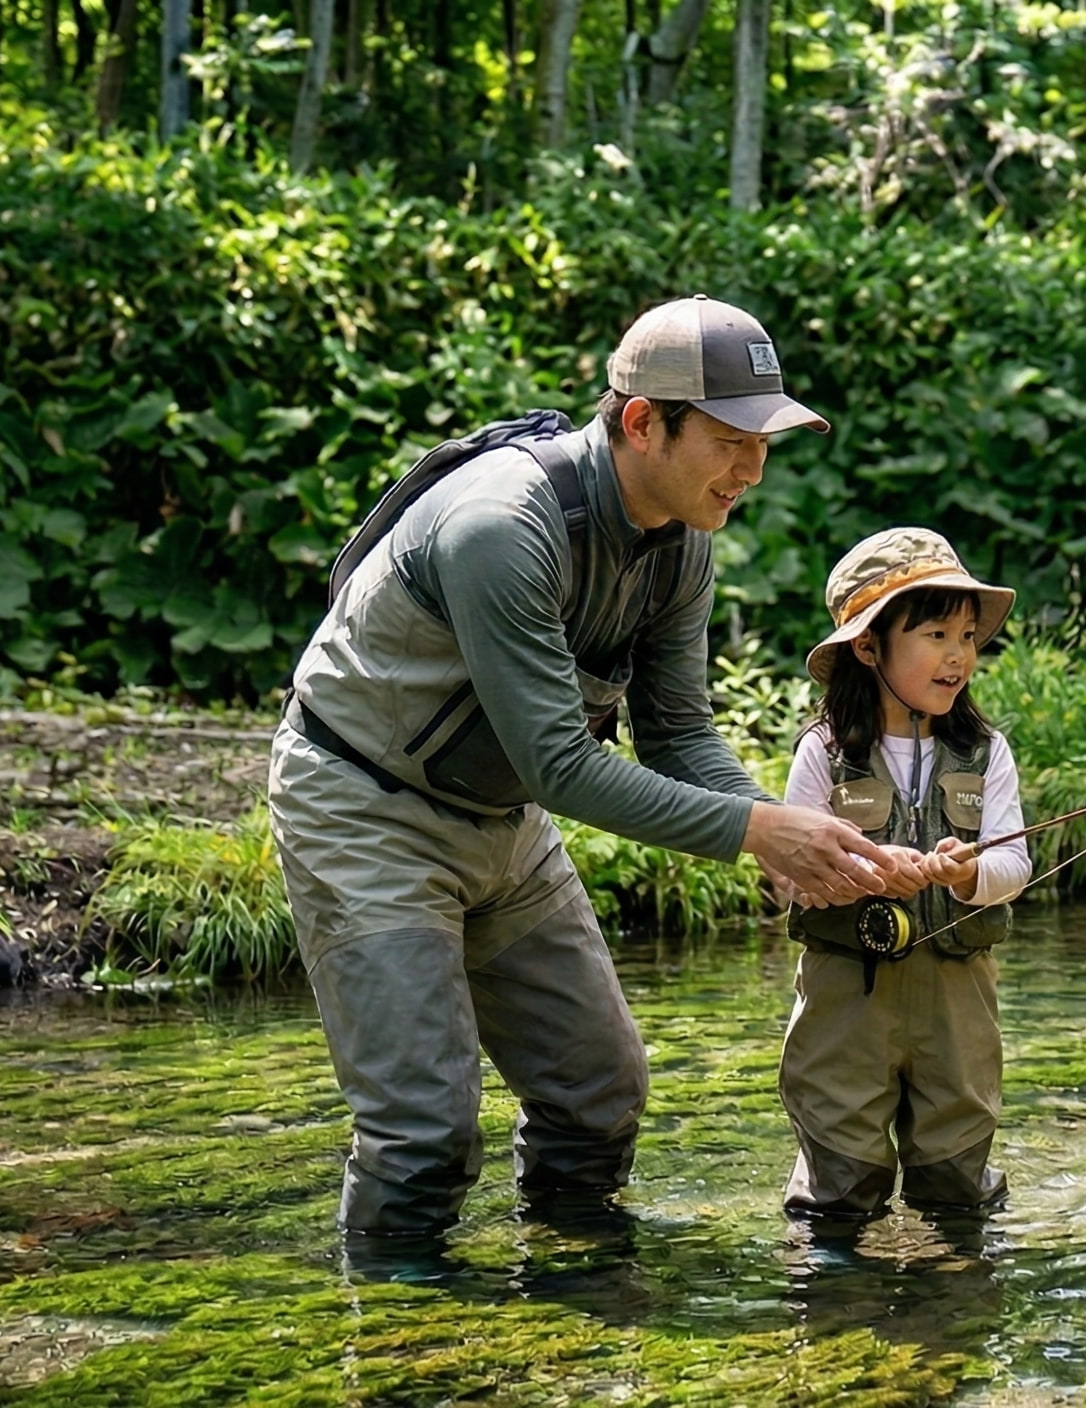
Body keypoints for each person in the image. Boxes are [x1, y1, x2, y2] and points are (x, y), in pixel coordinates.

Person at [270, 294, 907, 1244]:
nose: (753, 470)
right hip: (363, 806)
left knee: (598, 1095)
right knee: (422, 1135)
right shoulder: (502, 526)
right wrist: (760, 831)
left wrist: (780, 844)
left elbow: (681, 735)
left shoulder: (683, 543)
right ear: (645, 422)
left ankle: (566, 1300)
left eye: (765, 442)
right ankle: (399, 1346)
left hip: (502, 820)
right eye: (733, 438)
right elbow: (562, 766)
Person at [778, 527, 1032, 1223]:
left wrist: (967, 873)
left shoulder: (985, 751)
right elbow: (791, 870)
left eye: (968, 637)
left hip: (957, 1005)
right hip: (844, 1006)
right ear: (868, 646)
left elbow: (1015, 865)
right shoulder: (822, 753)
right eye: (936, 635)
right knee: (840, 1190)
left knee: (955, 1186)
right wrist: (864, 871)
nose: (959, 656)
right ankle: (836, 1312)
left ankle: (948, 1309)